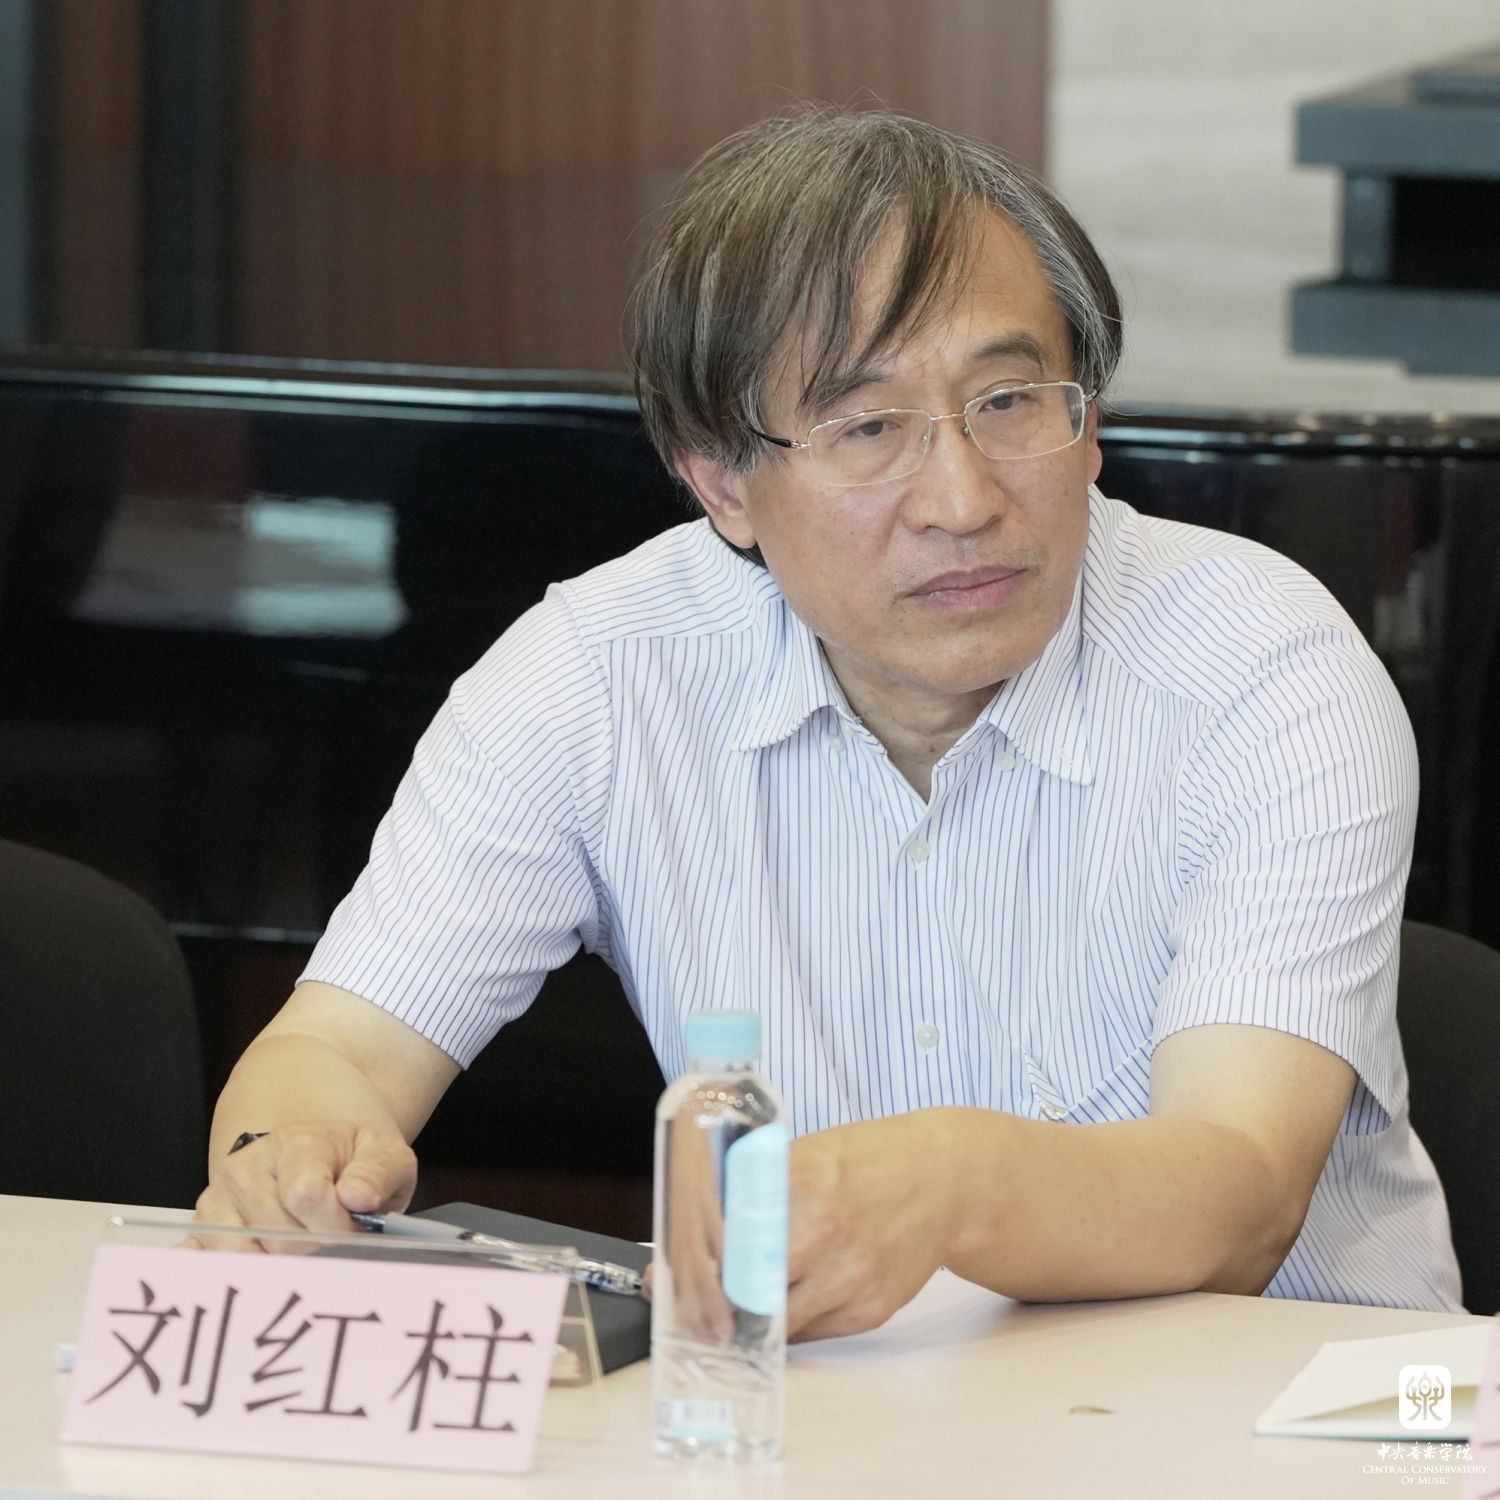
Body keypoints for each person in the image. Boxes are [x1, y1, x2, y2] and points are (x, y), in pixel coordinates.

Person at [200, 108, 1462, 1333]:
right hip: (854, 1418)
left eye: (1011, 401)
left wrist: (954, 1186)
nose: (962, 499)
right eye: (868, 428)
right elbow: (341, 1046)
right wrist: (293, 1155)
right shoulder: (598, 674)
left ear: (1089, 427)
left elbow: (1241, 1193)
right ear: (721, 482)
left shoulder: (1260, 665)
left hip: (1298, 1413)